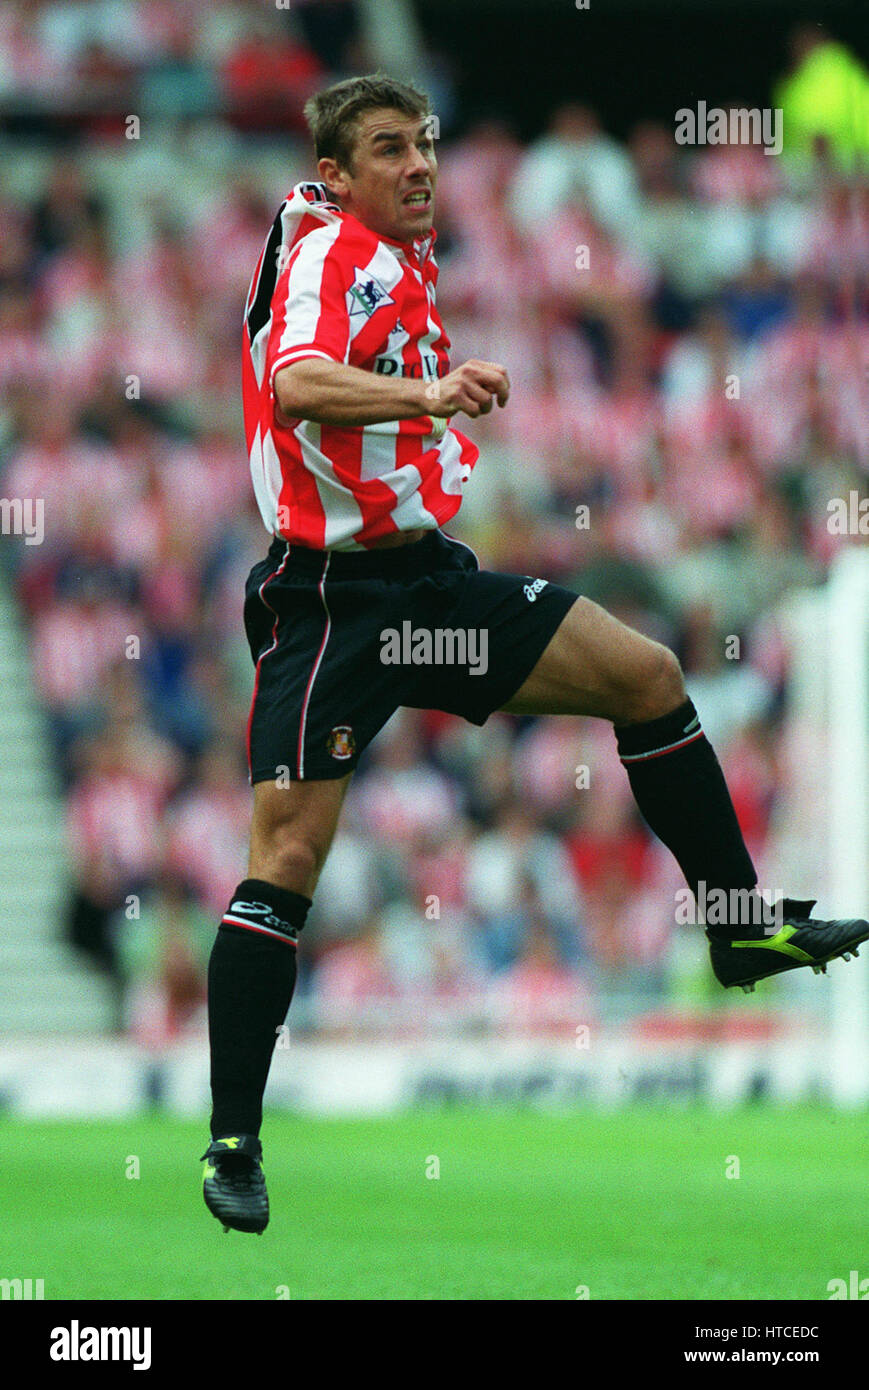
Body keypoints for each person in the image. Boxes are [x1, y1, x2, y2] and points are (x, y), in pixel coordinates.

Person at [201, 73, 868, 1235]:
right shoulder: (327, 250)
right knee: (288, 855)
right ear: (339, 173)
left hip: (425, 577)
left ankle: (735, 926)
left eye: (424, 145)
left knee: (646, 676)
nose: (417, 166)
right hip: (331, 599)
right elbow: (298, 383)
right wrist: (429, 390)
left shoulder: (386, 255)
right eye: (388, 150)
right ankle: (232, 1139)